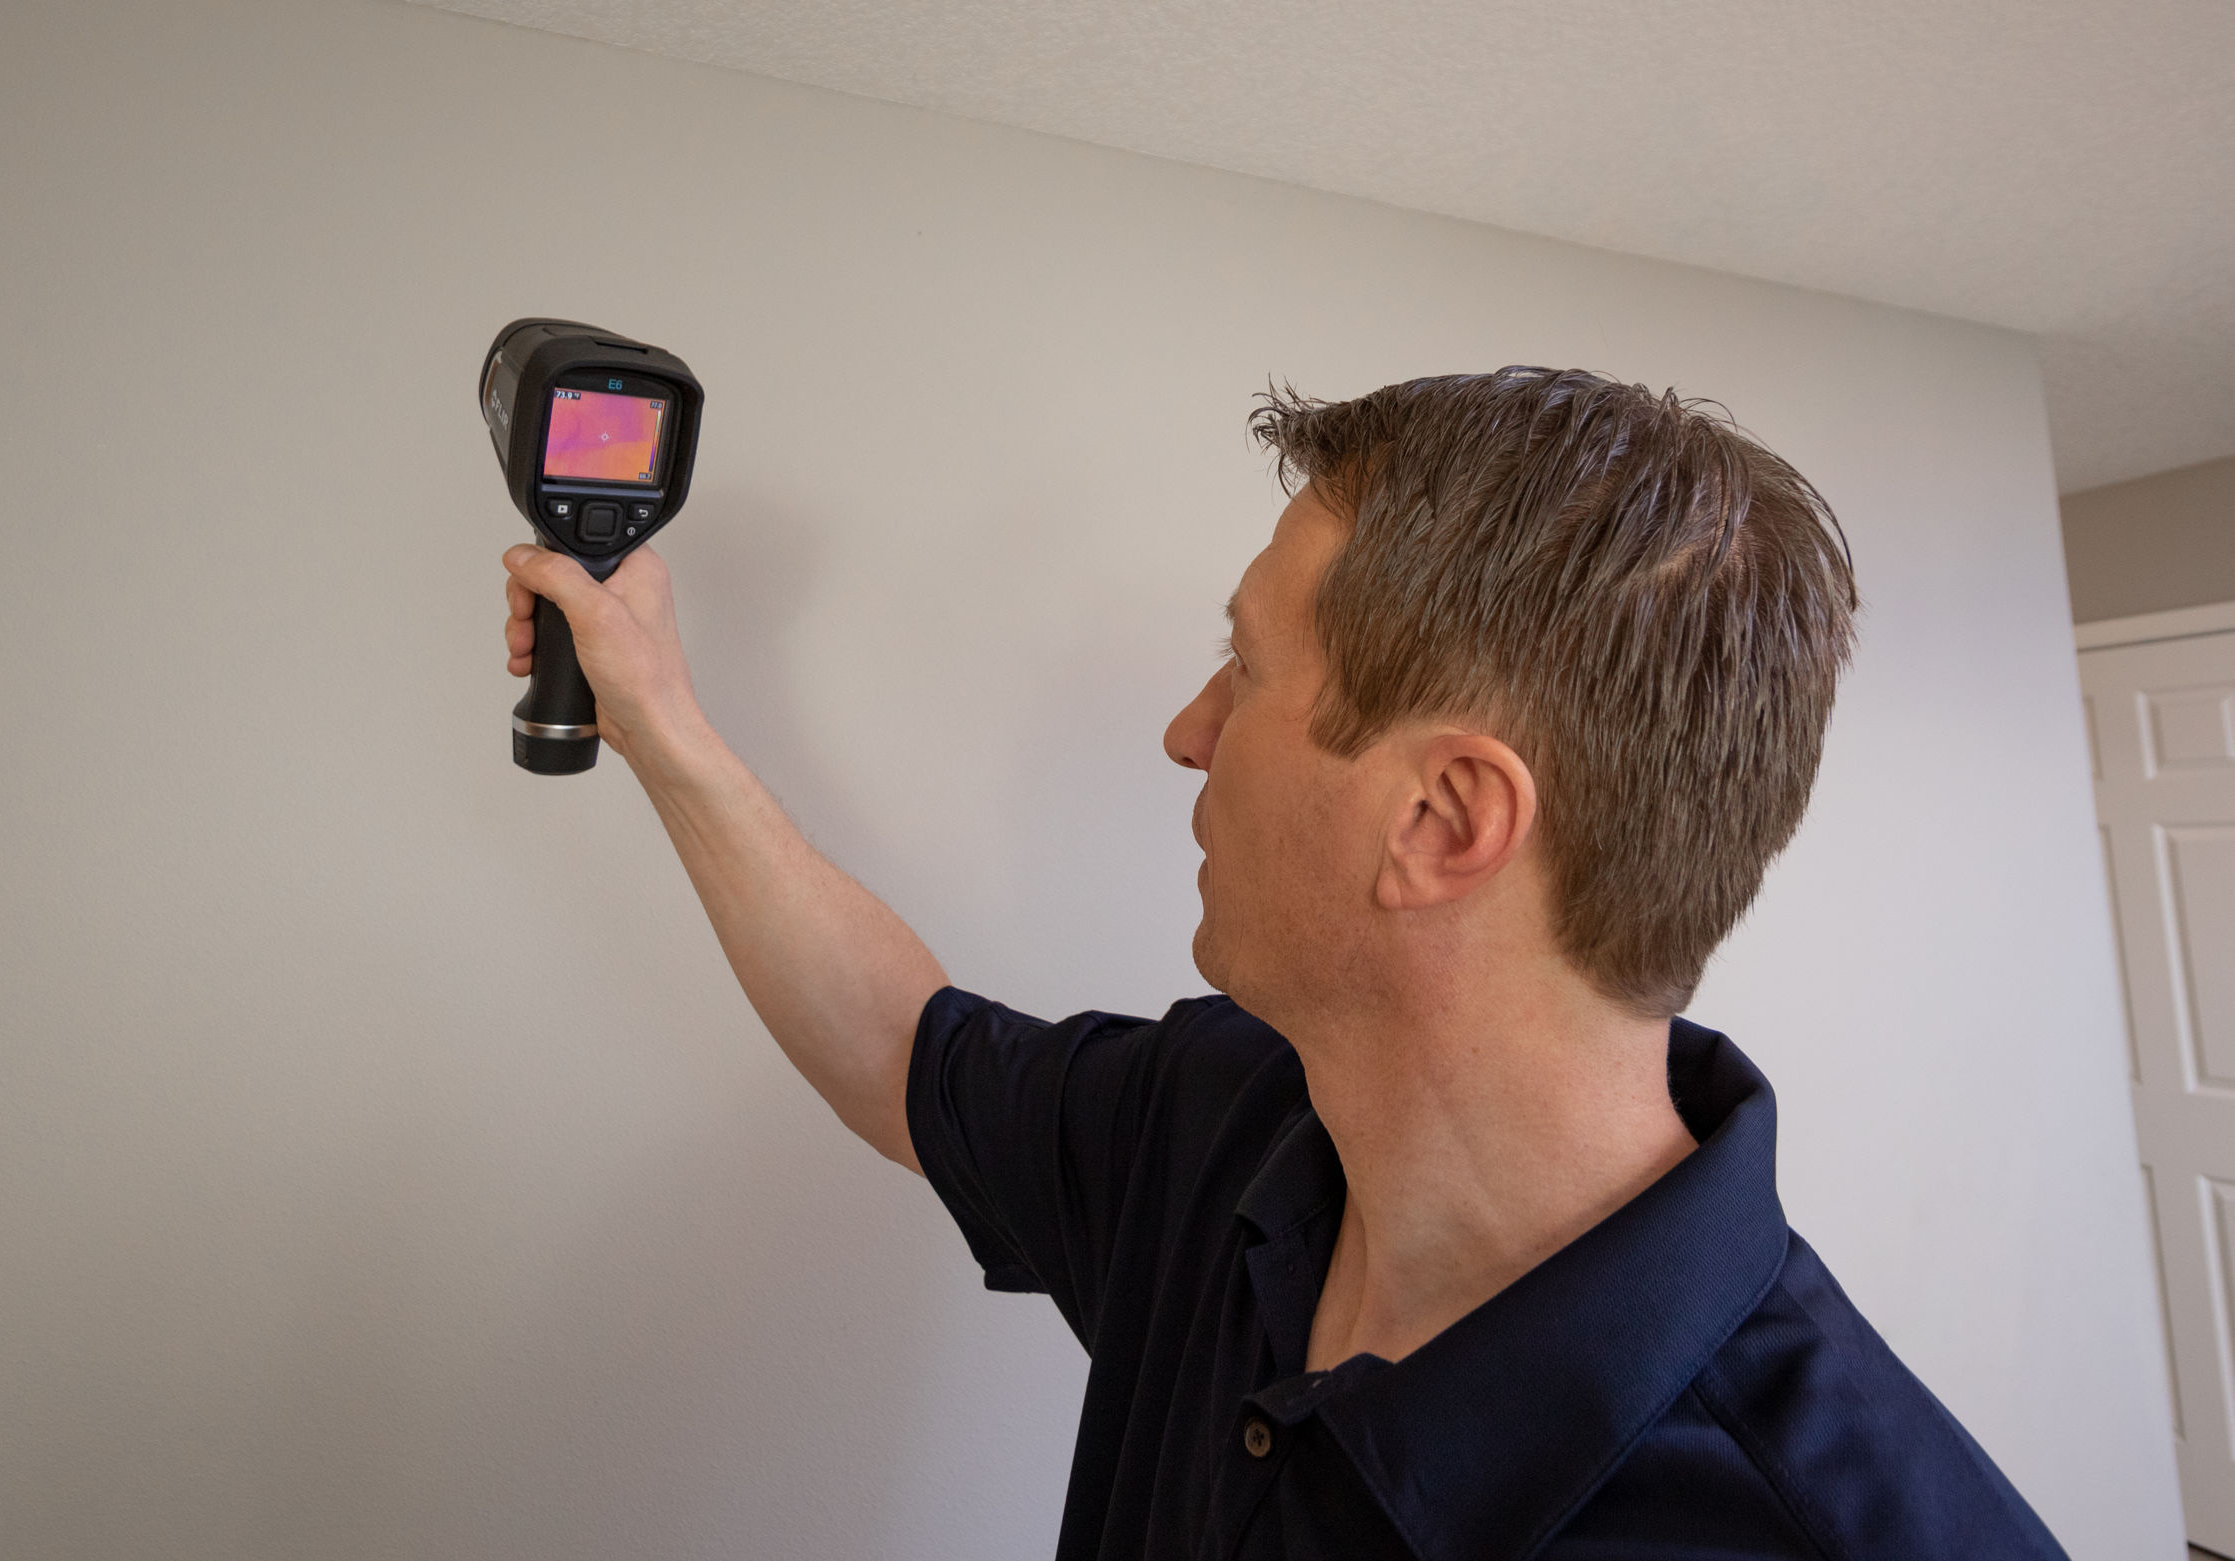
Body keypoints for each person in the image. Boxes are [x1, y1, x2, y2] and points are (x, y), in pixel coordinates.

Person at [501, 367, 2067, 1559]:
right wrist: (660, 720)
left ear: (1441, 819)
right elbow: (907, 1052)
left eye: (1242, 666)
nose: (1189, 730)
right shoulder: (1229, 1125)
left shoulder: (1838, 1528)